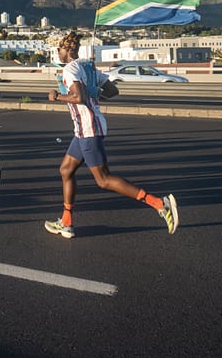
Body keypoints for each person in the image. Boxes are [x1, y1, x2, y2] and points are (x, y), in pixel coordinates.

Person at [44, 31, 178, 239]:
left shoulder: (70, 69)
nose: (57, 54)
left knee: (103, 180)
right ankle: (66, 222)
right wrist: (96, 94)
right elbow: (113, 91)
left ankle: (159, 203)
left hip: (88, 129)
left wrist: (57, 96)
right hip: (84, 129)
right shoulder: (88, 67)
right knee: (65, 170)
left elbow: (78, 97)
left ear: (65, 50)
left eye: (58, 50)